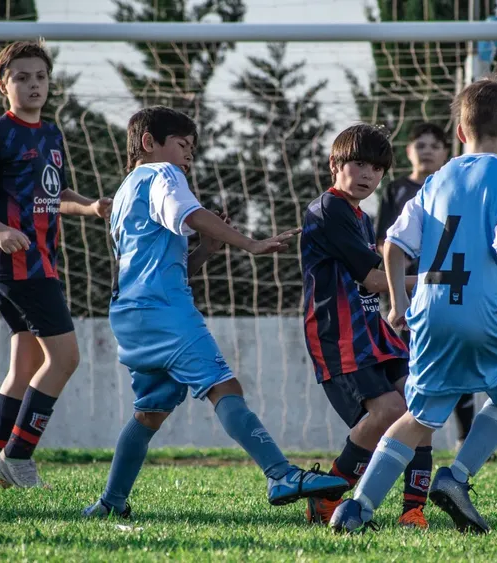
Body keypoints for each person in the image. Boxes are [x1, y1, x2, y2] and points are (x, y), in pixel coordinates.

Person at [82, 106, 350, 518]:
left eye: (192, 148)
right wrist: (251, 244)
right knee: (224, 387)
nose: (188, 156)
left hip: (130, 316)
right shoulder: (162, 175)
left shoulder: (121, 195)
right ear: (149, 143)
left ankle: (109, 502)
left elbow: (164, 266)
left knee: (149, 413)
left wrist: (206, 250)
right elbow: (190, 213)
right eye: (182, 145)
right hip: (165, 311)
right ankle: (280, 474)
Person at [330, 77, 497, 534]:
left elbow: (392, 246)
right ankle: (457, 477)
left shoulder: (435, 180)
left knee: (421, 413)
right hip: (486, 312)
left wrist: (398, 304)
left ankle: (357, 507)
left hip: (431, 310)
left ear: (460, 133)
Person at [0, 40, 112, 489]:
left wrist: (92, 207)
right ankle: (17, 458)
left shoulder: (52, 135)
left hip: (43, 262)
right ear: (4, 85)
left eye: (39, 76)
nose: (33, 84)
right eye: (21, 77)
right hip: (18, 266)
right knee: (65, 359)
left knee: (24, 366)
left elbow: (55, 195)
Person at [300, 124, 428, 529]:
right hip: (338, 331)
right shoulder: (329, 208)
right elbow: (375, 279)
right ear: (334, 164)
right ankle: (327, 496)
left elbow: (375, 281)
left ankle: (413, 510)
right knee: (391, 409)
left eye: (377, 167)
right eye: (359, 164)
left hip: (370, 327)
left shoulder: (360, 215)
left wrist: (401, 301)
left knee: (421, 403)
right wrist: (435, 280)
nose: (368, 174)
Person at [374, 123, 476, 451]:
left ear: (448, 151)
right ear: (408, 152)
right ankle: (409, 433)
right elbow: (384, 241)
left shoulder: (453, 189)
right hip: (409, 292)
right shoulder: (397, 190)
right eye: (420, 145)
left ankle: (465, 436)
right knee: (410, 362)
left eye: (435, 145)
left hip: (449, 288)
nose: (428, 150)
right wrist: (397, 280)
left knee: (457, 358)